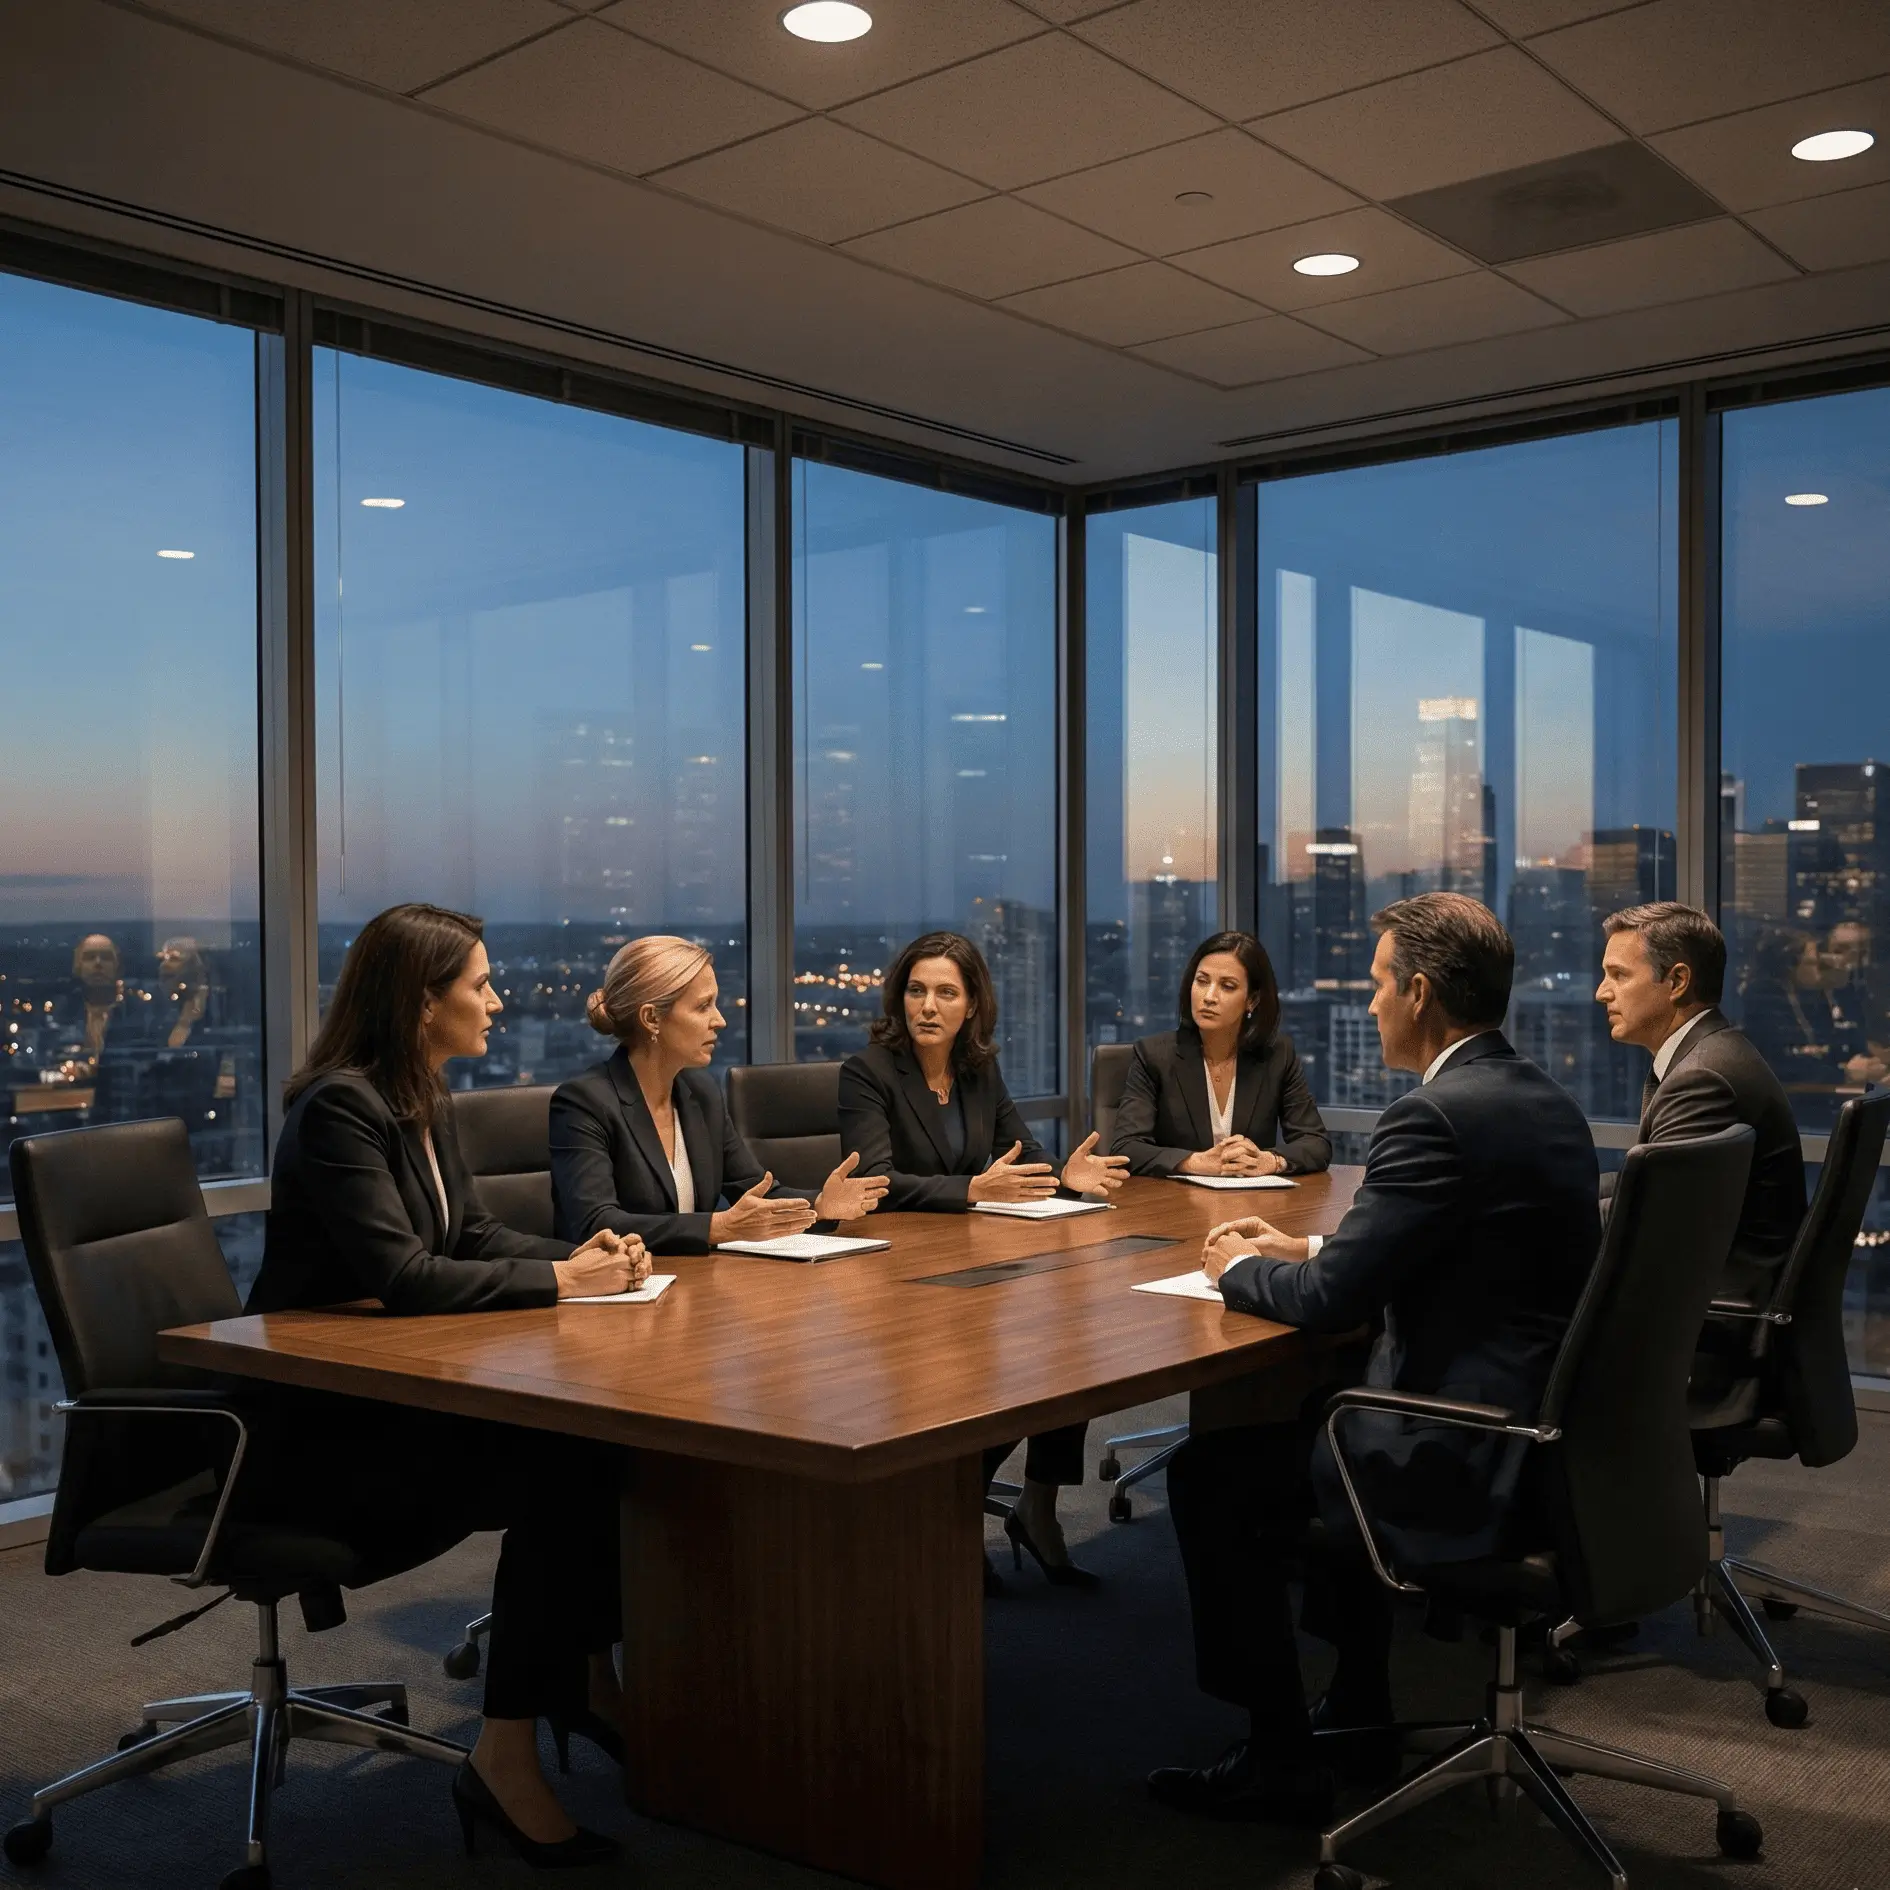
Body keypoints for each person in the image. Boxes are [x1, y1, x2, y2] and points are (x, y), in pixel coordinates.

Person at [1147, 893, 1599, 1827]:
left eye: (1378, 984)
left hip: (1465, 1453)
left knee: (1210, 1478)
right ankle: (1360, 1704)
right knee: (1312, 1419)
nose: (1368, 1005)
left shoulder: (1432, 1115)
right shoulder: (1544, 1103)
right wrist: (1305, 1247)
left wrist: (1236, 1269)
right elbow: (1454, 1252)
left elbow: (1332, 1306)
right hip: (1547, 1439)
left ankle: (1279, 1755)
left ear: (1422, 992)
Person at [246, 902, 651, 1868]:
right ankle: (509, 1752)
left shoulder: (421, 1099)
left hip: (395, 1400)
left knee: (596, 1446)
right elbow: (404, 1277)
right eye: (479, 984)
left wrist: (582, 1253)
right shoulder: (342, 1107)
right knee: (567, 1462)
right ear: (423, 1002)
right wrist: (563, 1282)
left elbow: (466, 1237)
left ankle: (576, 1681)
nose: (496, 999)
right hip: (317, 1432)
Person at [838, 930, 1128, 1591]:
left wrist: (1065, 1175)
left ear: (972, 1005)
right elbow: (877, 1184)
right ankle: (952, 1512)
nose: (928, 1006)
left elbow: (1020, 1154)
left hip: (974, 1270)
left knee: (1065, 1352)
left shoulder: (978, 1072)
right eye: (916, 991)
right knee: (989, 1388)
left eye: (946, 992)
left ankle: (1039, 1504)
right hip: (901, 1278)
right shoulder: (869, 1074)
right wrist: (971, 1188)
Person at [549, 935, 888, 1253]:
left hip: (691, 1290)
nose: (720, 1020)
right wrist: (719, 1227)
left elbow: (757, 1190)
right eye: (703, 1007)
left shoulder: (701, 1093)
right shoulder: (584, 1102)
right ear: (652, 1018)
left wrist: (819, 1205)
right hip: (605, 1302)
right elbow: (596, 1224)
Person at [1596, 901, 1807, 1307]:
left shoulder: (1702, 1077)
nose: (1601, 991)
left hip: (1712, 1315)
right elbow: (1642, 1186)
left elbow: (1646, 1218)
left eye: (1618, 975)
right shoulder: (1714, 1051)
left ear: (1677, 981)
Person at [1109, 930, 1330, 1179]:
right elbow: (1126, 1148)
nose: (1209, 997)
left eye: (1227, 986)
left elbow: (1316, 1143)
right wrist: (1195, 1162)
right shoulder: (1154, 1056)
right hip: (1174, 1207)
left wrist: (1269, 1161)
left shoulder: (1277, 1056)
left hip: (1252, 1206)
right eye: (1202, 981)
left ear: (1252, 1000)